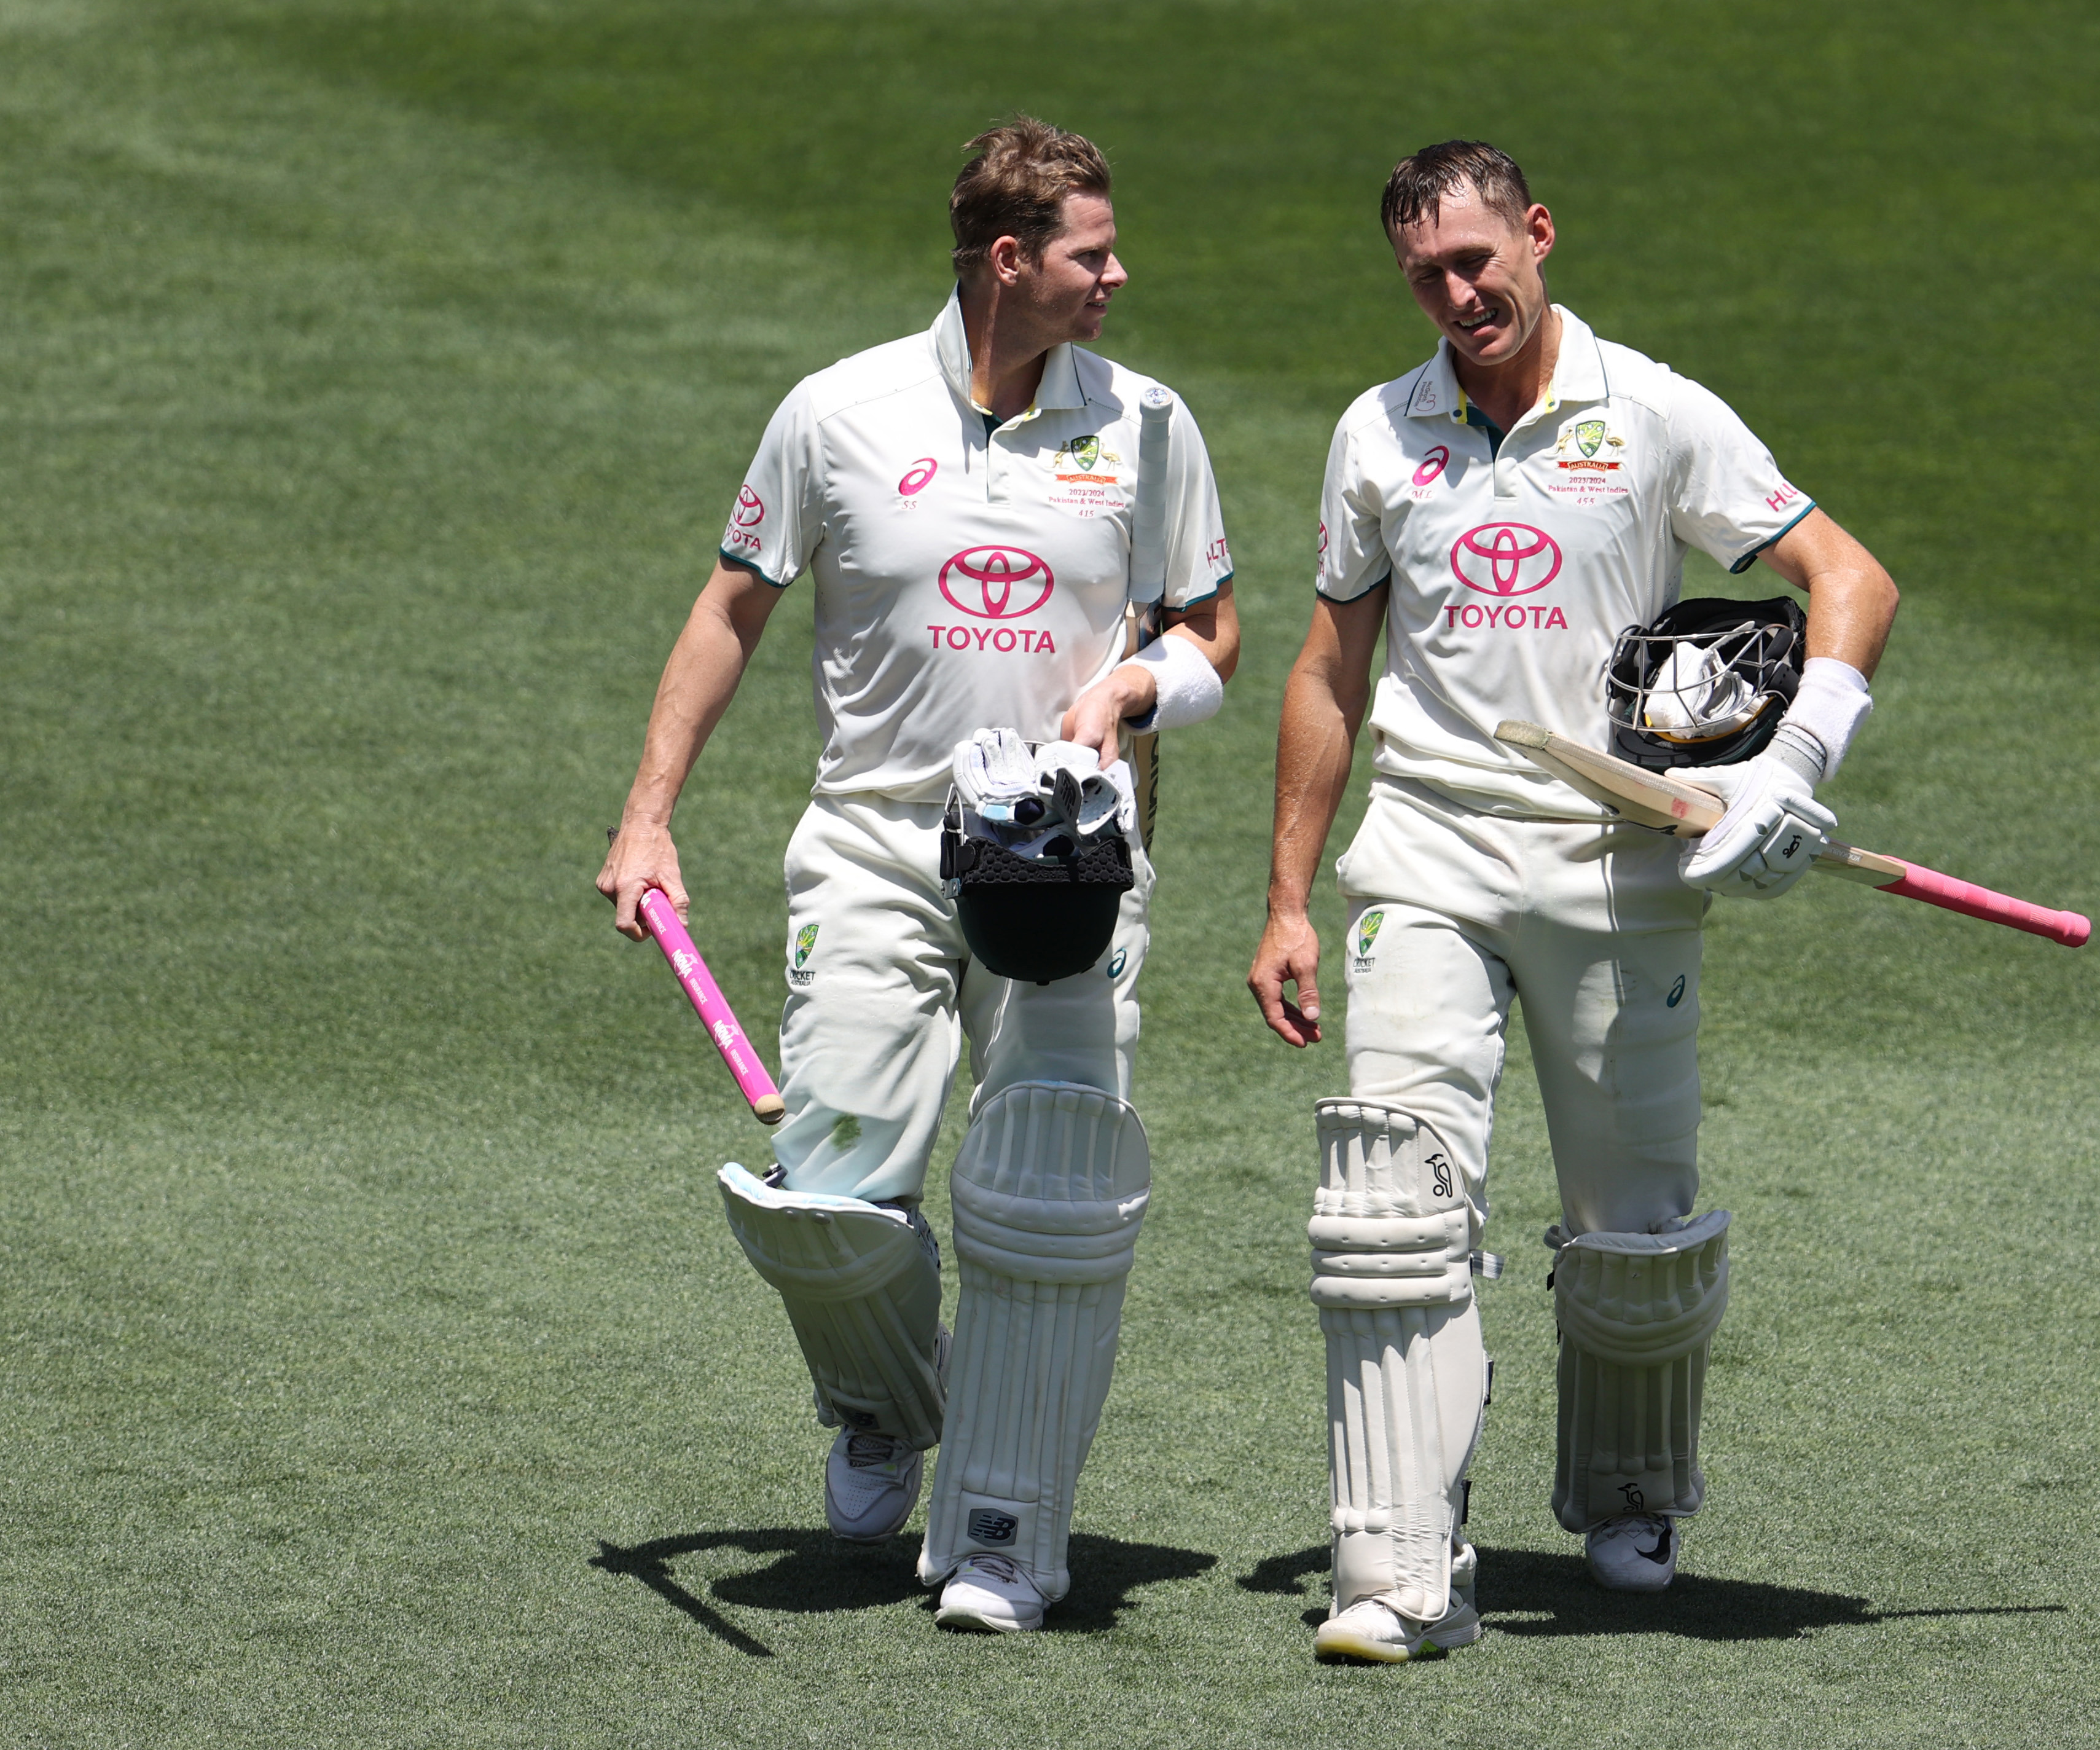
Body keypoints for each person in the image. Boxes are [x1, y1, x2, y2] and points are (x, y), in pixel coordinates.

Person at [1247, 141, 1898, 1663]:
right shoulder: (1376, 433)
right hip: (1427, 852)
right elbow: (1331, 669)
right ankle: (1399, 1565)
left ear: (1538, 234)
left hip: (1618, 864)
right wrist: (1286, 894)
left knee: (1635, 1228)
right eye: (1428, 274)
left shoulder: (1655, 410)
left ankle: (1628, 1493)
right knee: (1391, 1203)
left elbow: (1847, 577)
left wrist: (1789, 762)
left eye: (1482, 260)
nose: (1461, 294)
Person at [598, 117, 1238, 1635]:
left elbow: (1209, 634)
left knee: (1044, 1200)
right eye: (1093, 251)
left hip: (1069, 860)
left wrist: (1136, 696)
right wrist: (648, 813)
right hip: (879, 842)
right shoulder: (835, 412)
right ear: (1010, 262)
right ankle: (891, 1407)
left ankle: (1007, 1534)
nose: (1118, 274)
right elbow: (731, 608)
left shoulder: (1149, 423)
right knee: (825, 1201)